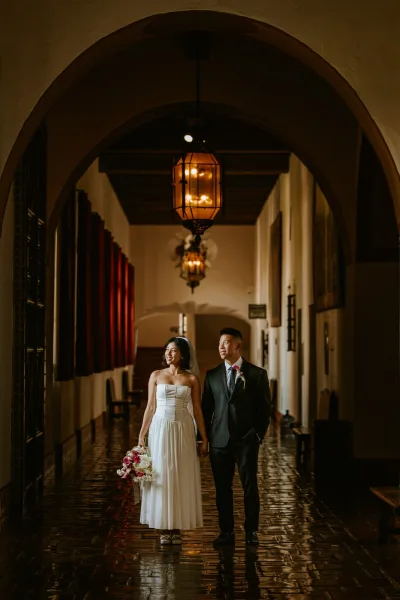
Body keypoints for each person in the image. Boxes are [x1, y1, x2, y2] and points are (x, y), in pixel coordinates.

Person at [202, 327, 272, 547]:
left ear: (238, 346)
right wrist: (203, 437)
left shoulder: (256, 374)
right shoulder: (211, 375)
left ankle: (251, 531)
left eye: (227, 342)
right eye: (220, 343)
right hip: (219, 441)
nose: (222, 346)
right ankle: (226, 532)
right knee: (222, 489)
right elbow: (206, 409)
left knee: (250, 486)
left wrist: (257, 435)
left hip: (246, 441)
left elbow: (265, 409)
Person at [138, 336, 208, 546]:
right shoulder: (156, 375)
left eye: (174, 350)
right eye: (167, 349)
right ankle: (163, 525)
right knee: (162, 473)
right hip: (160, 428)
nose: (169, 353)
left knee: (180, 473)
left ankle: (176, 526)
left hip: (183, 428)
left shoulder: (192, 379)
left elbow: (197, 409)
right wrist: (142, 434)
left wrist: (204, 437)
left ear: (183, 354)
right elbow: (150, 406)